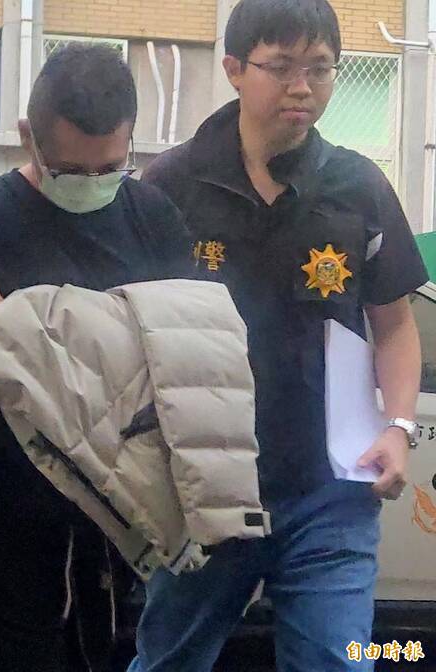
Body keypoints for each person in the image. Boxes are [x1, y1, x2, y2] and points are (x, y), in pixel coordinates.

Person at [131, 1, 428, 670]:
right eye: (283, 66)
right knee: (169, 660)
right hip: (203, 486)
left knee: (338, 659)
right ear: (235, 69)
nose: (303, 87)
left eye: (321, 68)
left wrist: (399, 426)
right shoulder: (171, 185)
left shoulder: (359, 187)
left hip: (330, 489)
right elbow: (128, 328)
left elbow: (394, 325)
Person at [0, 43, 192, 672]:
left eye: (113, 167)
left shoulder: (155, 220)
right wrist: (105, 361)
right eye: (73, 171)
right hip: (13, 513)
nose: (94, 184)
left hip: (124, 513)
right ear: (30, 138)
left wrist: (18, 331)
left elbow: (180, 362)